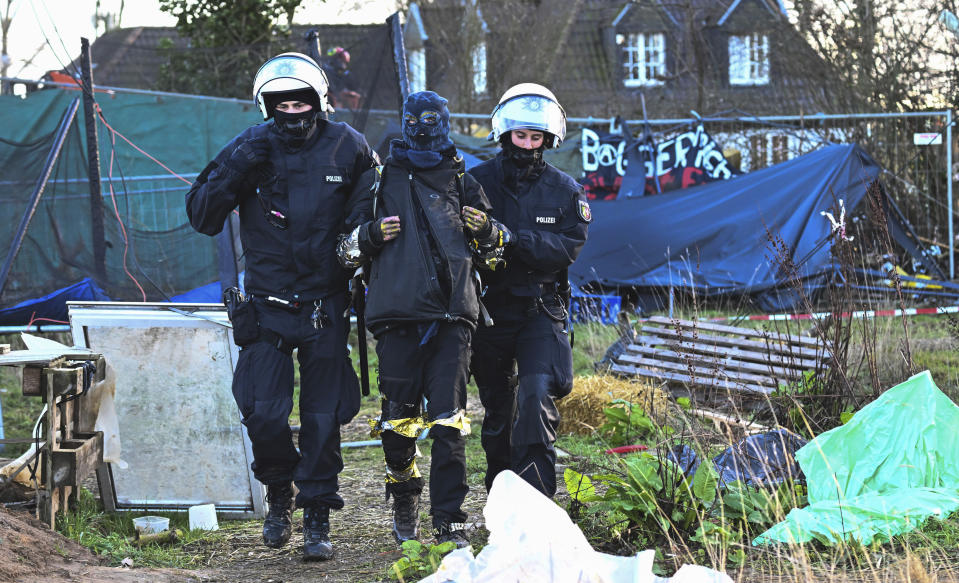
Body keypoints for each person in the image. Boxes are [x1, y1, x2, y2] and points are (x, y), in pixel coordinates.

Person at [185, 52, 378, 561]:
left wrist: (357, 248)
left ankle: (316, 513)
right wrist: (240, 164)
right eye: (282, 103)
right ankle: (278, 491)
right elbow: (203, 215)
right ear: (268, 106)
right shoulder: (250, 145)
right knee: (262, 412)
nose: (292, 112)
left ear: (318, 102)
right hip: (266, 305)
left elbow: (373, 201)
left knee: (322, 416)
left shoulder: (349, 146)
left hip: (325, 302)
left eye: (301, 101)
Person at [337, 90, 505, 548]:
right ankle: (404, 491)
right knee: (397, 422)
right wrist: (370, 235)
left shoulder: (463, 180)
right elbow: (343, 248)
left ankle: (449, 519)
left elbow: (494, 254)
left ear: (446, 121)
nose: (424, 127)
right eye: (416, 119)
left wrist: (487, 231)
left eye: (434, 118)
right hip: (394, 317)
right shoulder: (378, 180)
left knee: (449, 423)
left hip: (453, 318)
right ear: (404, 122)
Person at [467, 83, 591, 498]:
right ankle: (502, 498)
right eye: (520, 135)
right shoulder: (475, 183)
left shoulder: (565, 191)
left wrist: (510, 237)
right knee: (499, 412)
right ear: (505, 135)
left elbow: (566, 249)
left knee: (537, 395)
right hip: (489, 311)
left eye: (535, 137)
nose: (527, 144)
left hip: (540, 308)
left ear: (548, 139)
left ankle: (537, 500)